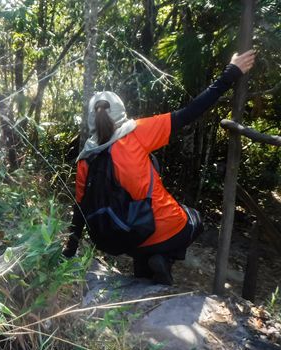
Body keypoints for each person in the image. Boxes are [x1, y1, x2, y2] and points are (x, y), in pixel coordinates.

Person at [64, 50, 256, 285]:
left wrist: (69, 252)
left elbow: (79, 211)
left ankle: (152, 266)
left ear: (91, 119)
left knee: (142, 253)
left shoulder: (85, 159)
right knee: (194, 219)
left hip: (126, 236)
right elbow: (191, 112)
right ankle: (164, 258)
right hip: (164, 227)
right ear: (120, 112)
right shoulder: (137, 133)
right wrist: (231, 73)